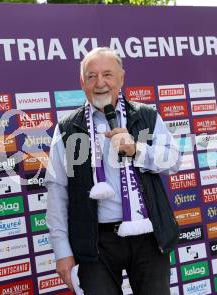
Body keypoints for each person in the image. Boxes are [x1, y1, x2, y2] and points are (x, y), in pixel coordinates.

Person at [45, 47, 181, 295]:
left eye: (108, 74)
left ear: (121, 78)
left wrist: (137, 150)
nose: (100, 83)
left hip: (148, 236)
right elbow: (57, 191)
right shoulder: (67, 128)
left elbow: (173, 161)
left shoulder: (146, 116)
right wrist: (62, 252)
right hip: (95, 241)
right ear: (82, 82)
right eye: (91, 76)